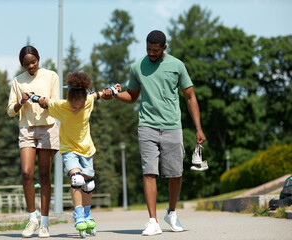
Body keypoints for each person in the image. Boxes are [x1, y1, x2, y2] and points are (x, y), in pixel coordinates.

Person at [106, 30, 206, 236]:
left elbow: (190, 97)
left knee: (175, 173)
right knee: (149, 171)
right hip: (147, 125)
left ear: (164, 48)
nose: (151, 54)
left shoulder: (177, 66)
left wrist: (198, 127)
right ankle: (153, 220)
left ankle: (171, 212)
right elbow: (132, 96)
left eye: (155, 50)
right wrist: (115, 95)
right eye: (148, 49)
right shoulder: (137, 67)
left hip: (172, 126)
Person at [37, 72, 107, 238]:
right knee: (77, 180)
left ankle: (87, 214)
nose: (76, 110)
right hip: (69, 149)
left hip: (87, 149)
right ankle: (78, 215)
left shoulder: (88, 101)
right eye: (73, 107)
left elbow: (98, 95)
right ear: (68, 101)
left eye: (80, 107)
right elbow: (45, 102)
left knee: (88, 185)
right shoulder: (60, 106)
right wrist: (37, 99)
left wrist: (111, 90)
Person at [7, 45, 60, 238]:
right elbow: (10, 110)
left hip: (47, 128)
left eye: (33, 62)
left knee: (44, 176)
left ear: (39, 58)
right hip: (27, 129)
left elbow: (57, 104)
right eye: (27, 64)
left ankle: (45, 223)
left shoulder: (51, 76)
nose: (31, 66)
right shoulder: (17, 81)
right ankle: (32, 219)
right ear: (22, 64)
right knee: (27, 173)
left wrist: (46, 102)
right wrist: (21, 101)